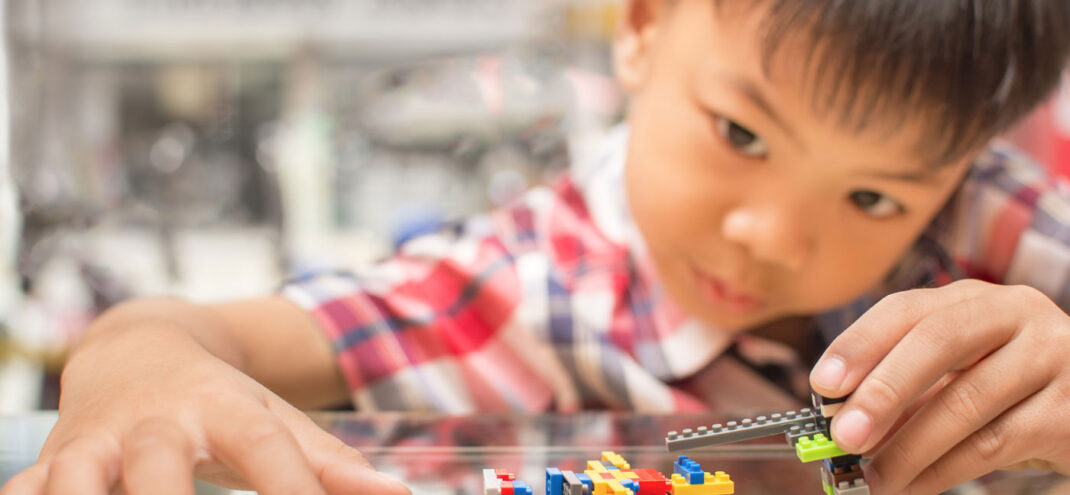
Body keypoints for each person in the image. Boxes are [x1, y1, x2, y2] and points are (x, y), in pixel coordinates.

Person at [6, 1, 1070, 494]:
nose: (769, 236)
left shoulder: (997, 224)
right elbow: (190, 335)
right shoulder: (524, 281)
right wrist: (133, 363)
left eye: (874, 196)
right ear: (642, 26)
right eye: (741, 135)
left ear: (959, 168)